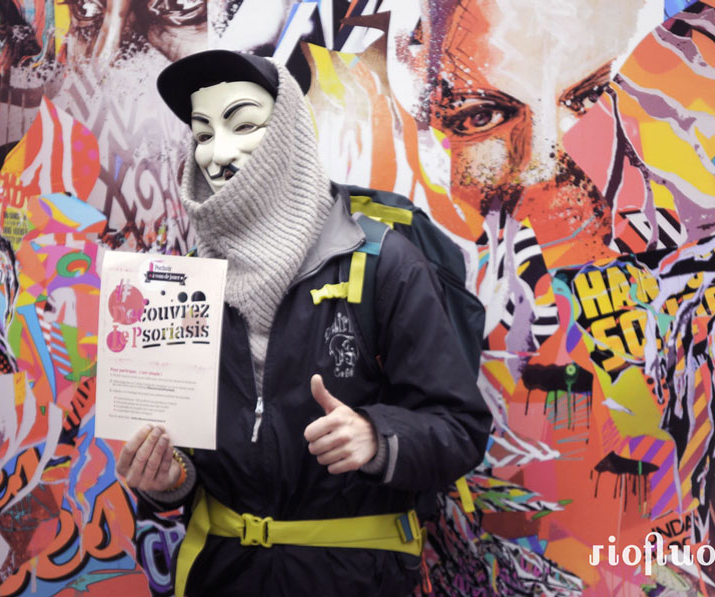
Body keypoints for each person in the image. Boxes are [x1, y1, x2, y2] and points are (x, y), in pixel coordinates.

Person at [115, 49, 491, 596]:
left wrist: (377, 437)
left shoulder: (382, 262)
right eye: (202, 134)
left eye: (244, 125)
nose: (218, 153)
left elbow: (460, 428)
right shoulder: (183, 285)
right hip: (222, 576)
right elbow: (187, 455)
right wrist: (169, 481)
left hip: (352, 580)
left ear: (288, 131)